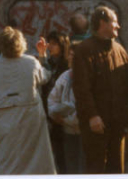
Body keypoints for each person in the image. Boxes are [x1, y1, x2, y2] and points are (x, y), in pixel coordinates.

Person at [0, 27, 56, 174]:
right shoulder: (31, 63)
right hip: (31, 119)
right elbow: (45, 76)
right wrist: (42, 55)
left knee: (8, 162)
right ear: (21, 43)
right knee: (36, 161)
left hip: (4, 122)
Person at [71, 6, 128, 174]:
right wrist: (92, 115)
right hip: (96, 123)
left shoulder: (120, 50)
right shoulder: (84, 50)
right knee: (96, 167)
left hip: (117, 122)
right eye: (114, 21)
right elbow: (81, 87)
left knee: (117, 167)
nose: (118, 26)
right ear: (102, 23)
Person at [46, 45, 84, 174]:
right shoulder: (64, 77)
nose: (70, 58)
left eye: (74, 55)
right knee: (70, 167)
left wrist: (67, 120)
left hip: (83, 131)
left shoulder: (88, 76)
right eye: (70, 55)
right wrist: (55, 115)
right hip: (67, 131)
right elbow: (52, 100)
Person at [41, 30, 70, 172]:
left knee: (63, 154)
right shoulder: (50, 64)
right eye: (49, 43)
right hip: (50, 113)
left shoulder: (66, 65)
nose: (50, 47)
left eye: (54, 44)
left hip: (63, 113)